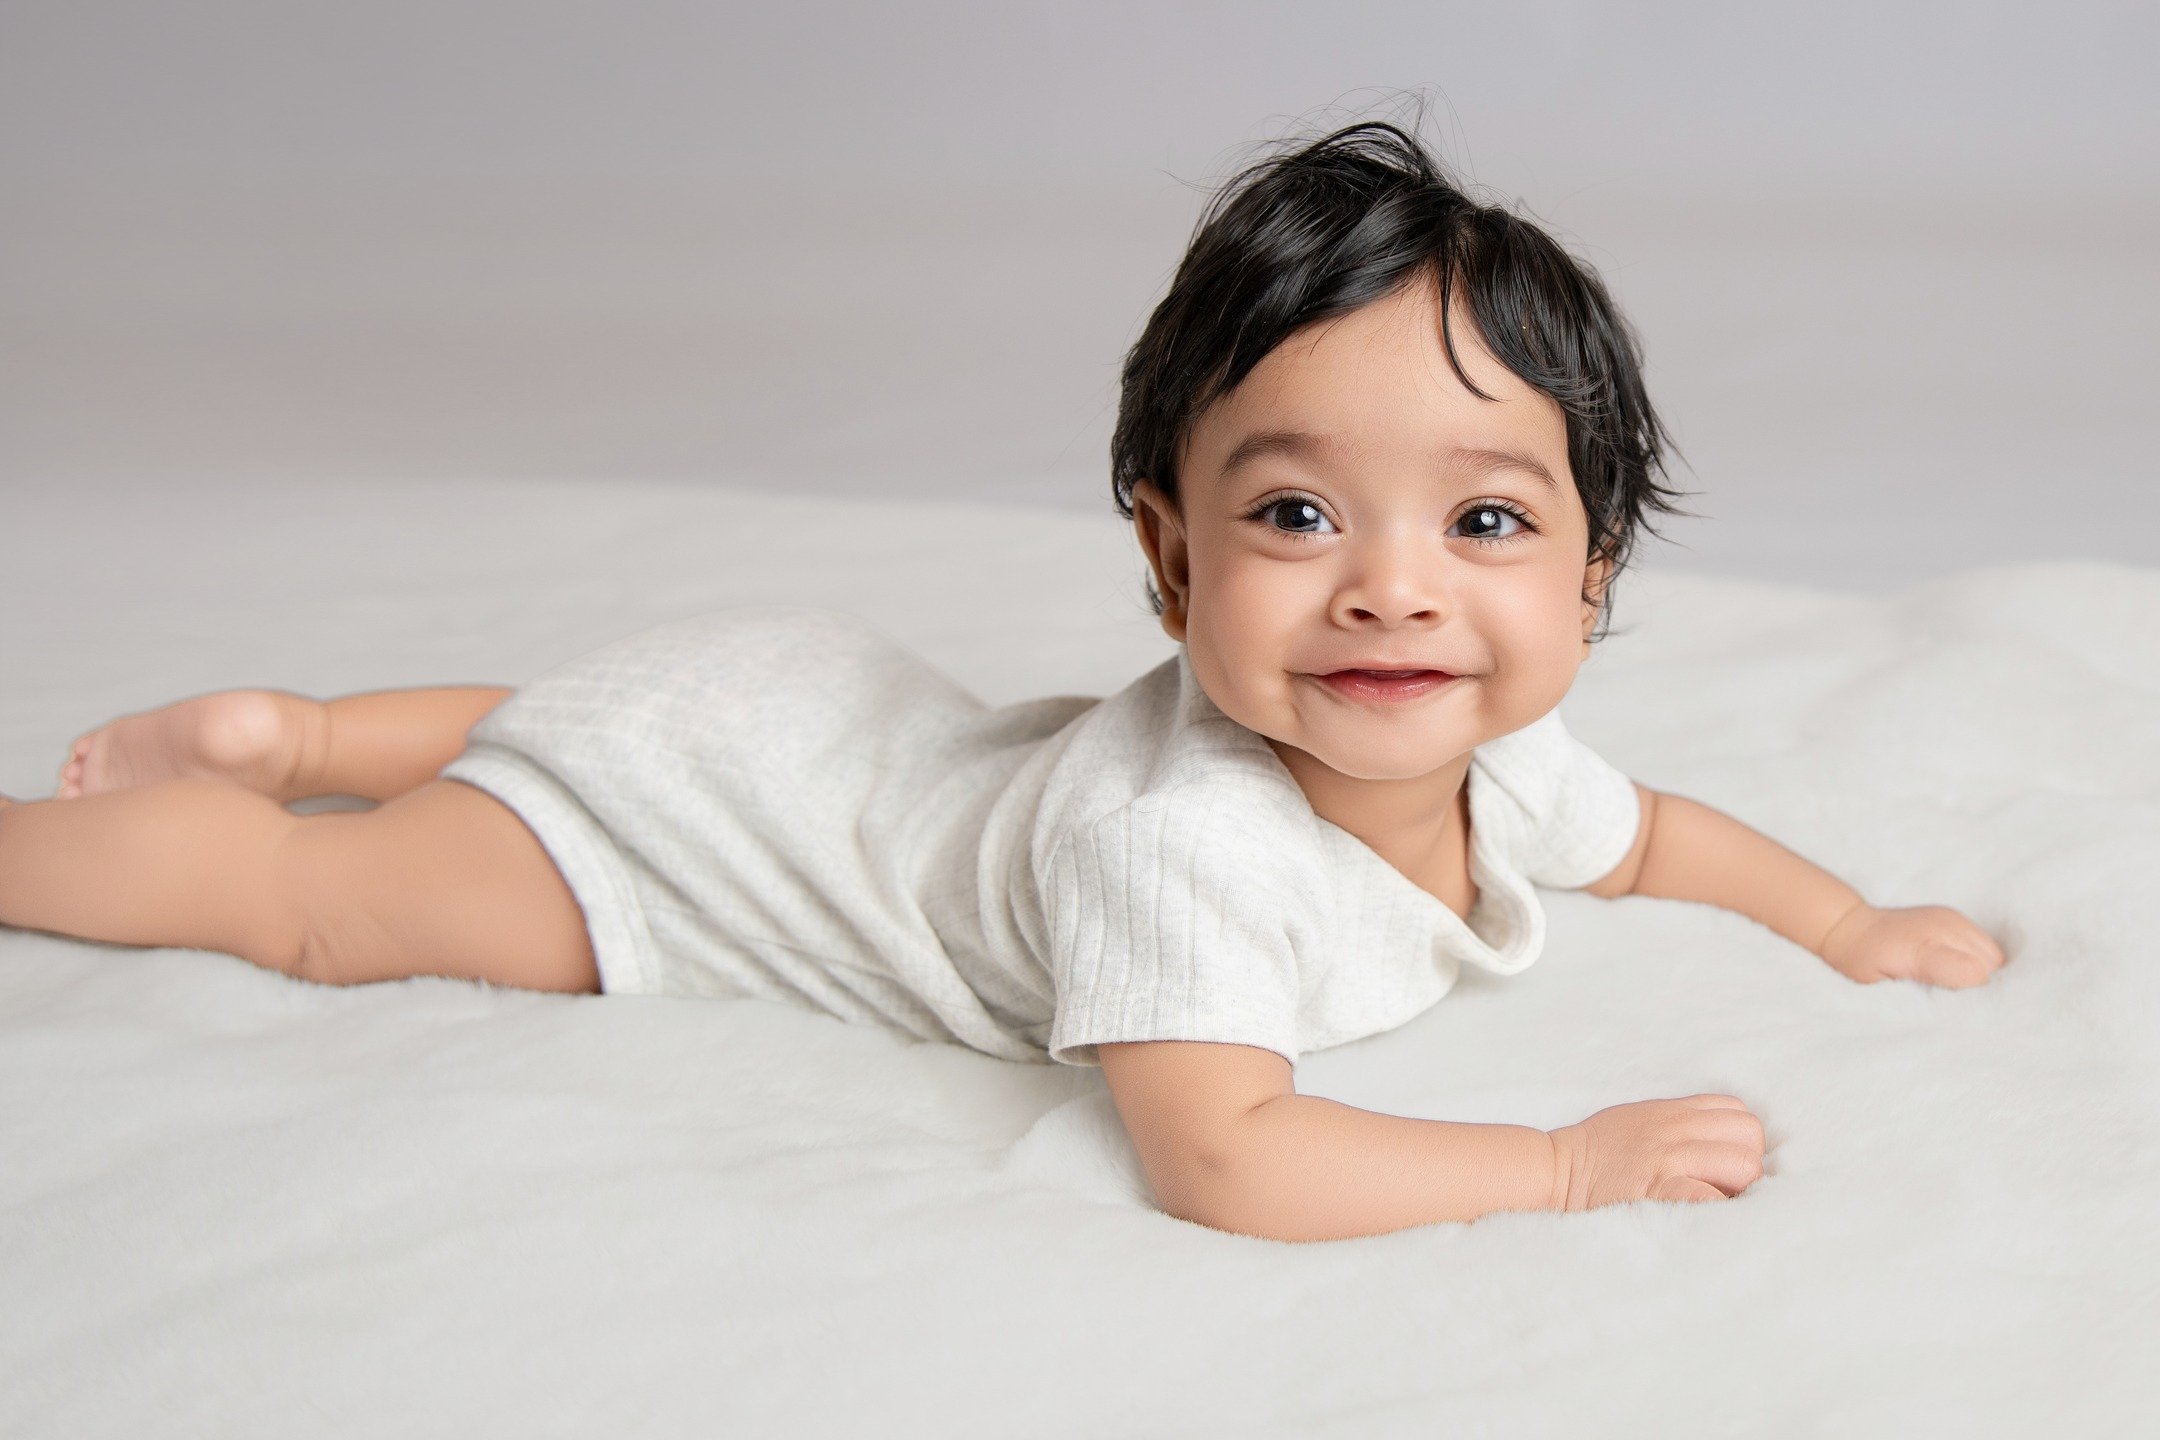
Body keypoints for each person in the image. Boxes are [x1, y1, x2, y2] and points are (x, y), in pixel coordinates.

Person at [0, 117, 2006, 1243]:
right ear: (1171, 558)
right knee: (324, 901)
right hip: (705, 832)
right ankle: (133, 819)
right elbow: (1224, 1154)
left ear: (1592, 573)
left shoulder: (1499, 762)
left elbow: (1651, 839)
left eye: (1483, 522)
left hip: (805, 710)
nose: (1393, 595)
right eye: (1297, 516)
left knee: (581, 717)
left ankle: (313, 727)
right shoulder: (1183, 847)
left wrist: (1845, 922)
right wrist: (1563, 1165)